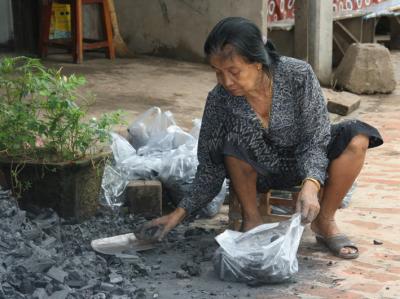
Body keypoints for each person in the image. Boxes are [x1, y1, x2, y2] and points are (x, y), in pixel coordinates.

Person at [137, 17, 383, 259]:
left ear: (257, 62)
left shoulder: (297, 74)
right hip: (259, 172)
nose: (226, 81)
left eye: (234, 71)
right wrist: (178, 214)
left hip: (305, 162)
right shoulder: (219, 100)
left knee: (356, 136)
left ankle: (325, 221)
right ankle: (251, 221)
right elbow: (210, 167)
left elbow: (315, 136)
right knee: (232, 139)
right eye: (217, 72)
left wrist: (312, 182)